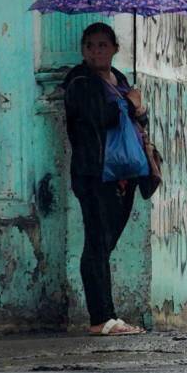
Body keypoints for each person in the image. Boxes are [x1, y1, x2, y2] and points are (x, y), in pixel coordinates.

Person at [62, 22, 148, 336]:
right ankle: (102, 319)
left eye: (102, 45)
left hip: (122, 176)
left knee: (105, 245)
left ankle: (107, 316)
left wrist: (139, 109)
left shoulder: (120, 80)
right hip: (93, 174)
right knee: (96, 243)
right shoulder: (79, 82)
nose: (96, 51)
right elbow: (99, 117)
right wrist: (129, 104)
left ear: (114, 48)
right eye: (90, 46)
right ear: (84, 51)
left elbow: (135, 121)